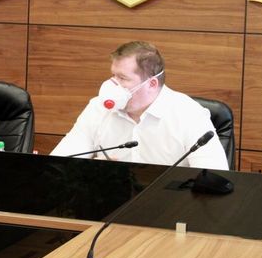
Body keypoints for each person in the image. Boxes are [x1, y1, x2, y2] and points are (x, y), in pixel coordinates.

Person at [51, 41, 229, 169]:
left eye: (122, 78)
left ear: (151, 84)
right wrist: (91, 170)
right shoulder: (98, 107)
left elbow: (213, 175)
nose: (113, 85)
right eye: (113, 75)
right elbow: (59, 163)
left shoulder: (189, 114)